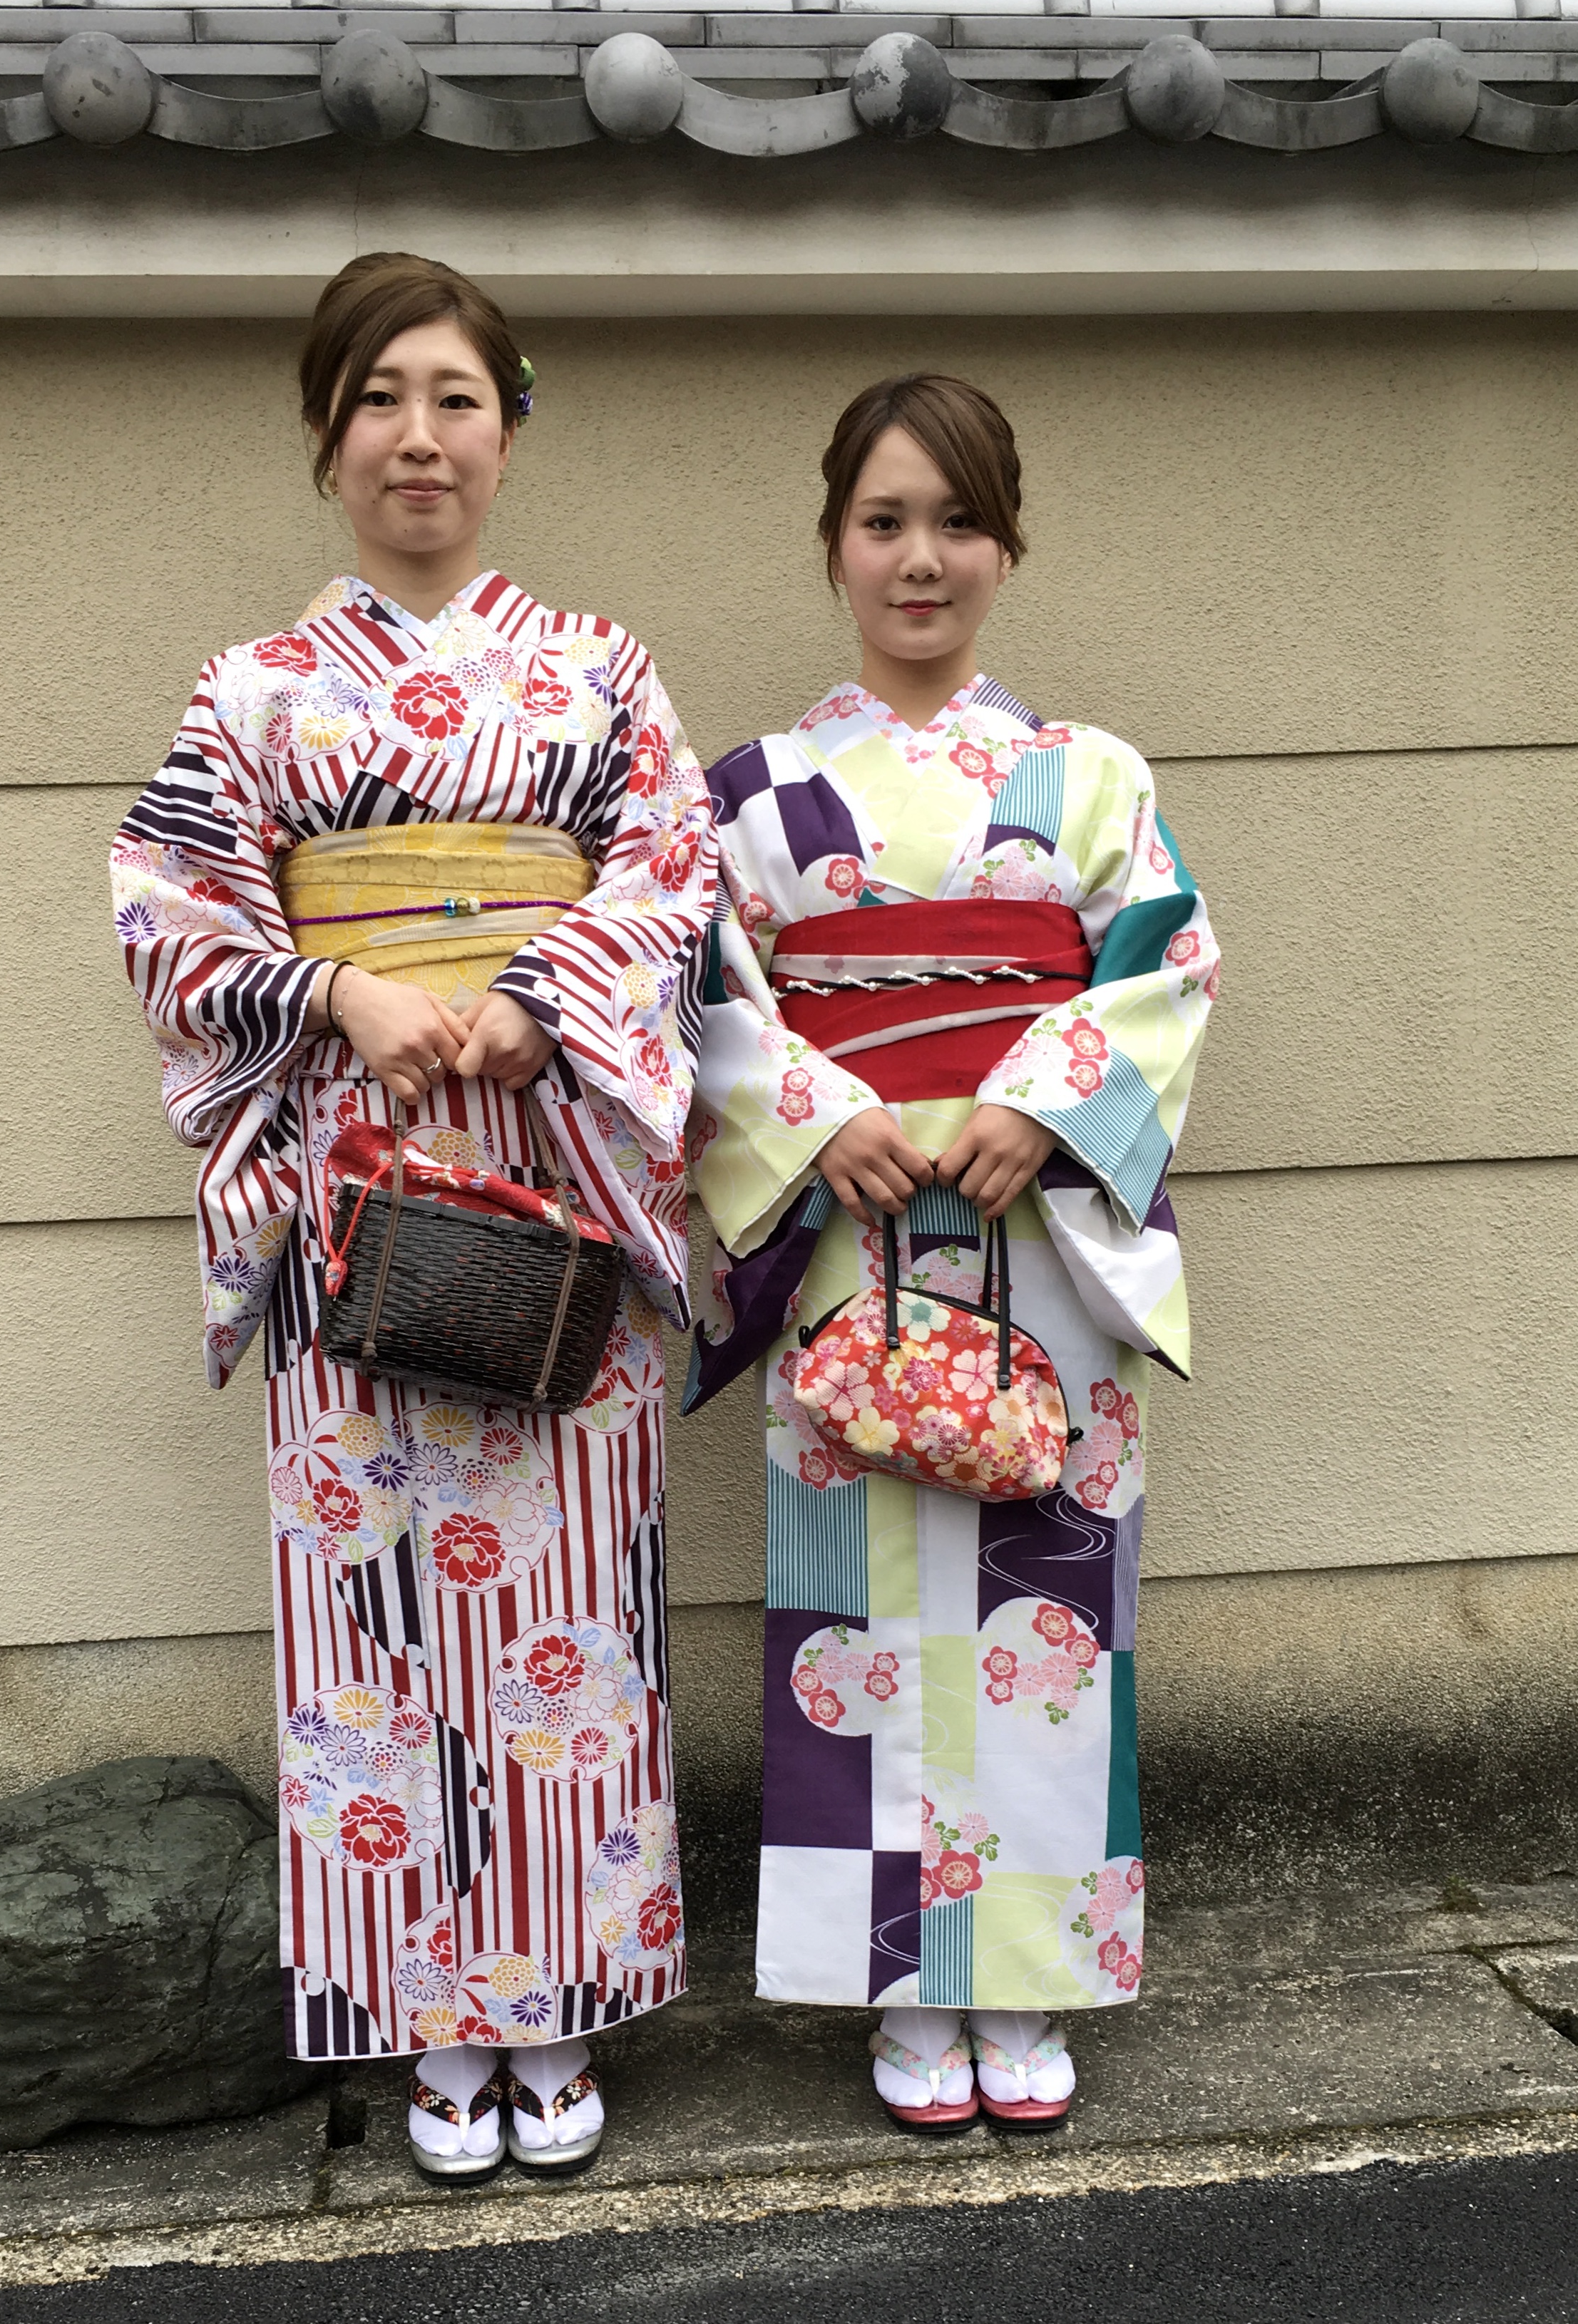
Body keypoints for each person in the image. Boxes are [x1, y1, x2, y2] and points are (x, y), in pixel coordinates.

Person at [111, 252, 714, 2183]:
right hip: (350, 1183)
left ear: (509, 430)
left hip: (554, 1169)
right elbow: (167, 911)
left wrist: (550, 994)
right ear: (326, 434)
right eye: (379, 397)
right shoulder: (252, 692)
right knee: (368, 1606)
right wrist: (334, 988)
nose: (419, 436)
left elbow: (676, 879)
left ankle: (561, 2000)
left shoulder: (601, 670)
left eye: (457, 397)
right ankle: (432, 2016)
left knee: (566, 1608)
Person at [686, 374, 1218, 2132]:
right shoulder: (747, 795)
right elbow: (703, 997)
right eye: (885, 522)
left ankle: (1031, 1972)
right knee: (857, 1606)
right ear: (834, 543)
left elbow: (1165, 969)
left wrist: (1047, 1108)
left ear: (1007, 545)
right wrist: (812, 1115)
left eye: (959, 522)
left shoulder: (1096, 777)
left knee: (1047, 1610)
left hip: (1036, 1240)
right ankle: (902, 1984)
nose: (922, 558)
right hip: (849, 1239)